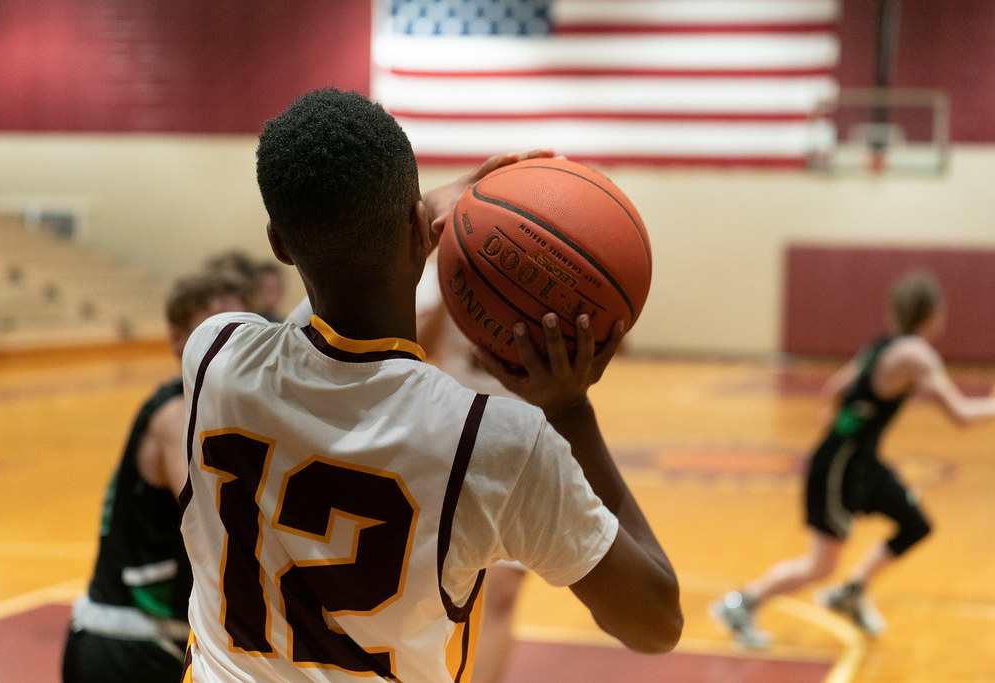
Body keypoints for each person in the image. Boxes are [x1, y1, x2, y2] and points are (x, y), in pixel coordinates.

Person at [178, 88, 682, 682]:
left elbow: (319, 310)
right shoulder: (497, 447)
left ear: (279, 246)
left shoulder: (213, 355)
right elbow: (655, 622)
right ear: (421, 228)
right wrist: (570, 409)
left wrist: (420, 216)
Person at [712, 270, 995, 649]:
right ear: (931, 312)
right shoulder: (916, 354)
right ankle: (741, 605)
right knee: (821, 565)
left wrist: (843, 423)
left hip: (859, 460)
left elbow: (834, 388)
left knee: (915, 524)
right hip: (840, 466)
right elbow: (959, 415)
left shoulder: (879, 346)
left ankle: (852, 590)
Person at [285, 258, 528, 683]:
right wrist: (459, 295)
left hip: (522, 438)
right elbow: (420, 344)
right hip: (451, 437)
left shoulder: (550, 263)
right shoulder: (450, 261)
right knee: (431, 591)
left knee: (502, 591)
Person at [62, 271, 250, 683]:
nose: (227, 346)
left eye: (239, 332)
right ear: (177, 338)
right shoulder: (177, 414)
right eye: (212, 331)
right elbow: (218, 517)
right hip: (128, 644)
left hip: (141, 642)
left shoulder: (205, 409)